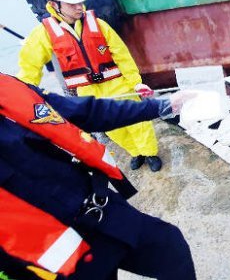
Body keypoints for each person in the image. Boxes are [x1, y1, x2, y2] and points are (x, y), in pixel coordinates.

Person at [0, 72, 195, 280]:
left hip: (100, 209)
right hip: (52, 259)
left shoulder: (6, 85)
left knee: (170, 247)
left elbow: (81, 112)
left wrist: (161, 106)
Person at [17, 0, 163, 172]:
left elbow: (121, 55)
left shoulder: (98, 24)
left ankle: (149, 152)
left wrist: (136, 81)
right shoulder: (43, 34)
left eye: (80, 2)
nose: (79, 7)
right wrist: (24, 96)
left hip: (117, 84)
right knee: (112, 128)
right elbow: (29, 66)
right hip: (87, 91)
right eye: (72, 4)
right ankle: (135, 152)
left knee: (137, 121)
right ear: (54, 4)